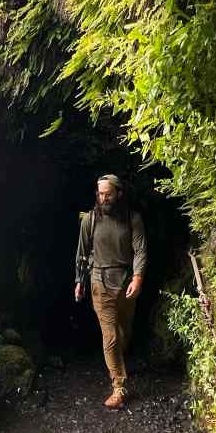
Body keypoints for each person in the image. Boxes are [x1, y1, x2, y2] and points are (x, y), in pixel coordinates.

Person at [74, 174, 147, 409]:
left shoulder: (132, 218)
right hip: (99, 282)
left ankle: (117, 361)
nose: (103, 198)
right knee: (111, 336)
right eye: (100, 194)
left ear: (119, 194)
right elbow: (82, 254)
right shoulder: (90, 220)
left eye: (108, 194)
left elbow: (140, 250)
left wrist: (137, 277)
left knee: (124, 332)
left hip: (125, 282)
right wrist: (79, 281)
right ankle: (119, 386)